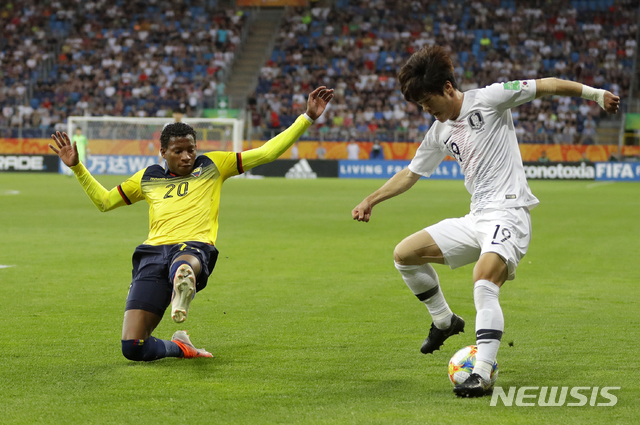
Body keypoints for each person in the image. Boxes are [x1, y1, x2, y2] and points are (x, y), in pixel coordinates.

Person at [351, 46, 619, 398]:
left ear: (448, 88)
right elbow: (411, 173)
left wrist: (596, 94)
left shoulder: (491, 98)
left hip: (508, 212)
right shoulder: (438, 131)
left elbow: (548, 84)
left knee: (483, 280)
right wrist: (371, 199)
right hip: (476, 216)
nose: (426, 109)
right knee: (404, 254)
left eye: (427, 101)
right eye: (420, 105)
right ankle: (445, 321)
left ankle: (481, 374)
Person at [49, 86, 334, 362]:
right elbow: (105, 201)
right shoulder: (147, 178)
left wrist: (306, 117)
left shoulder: (212, 165)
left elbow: (267, 152)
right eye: (178, 151)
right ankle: (181, 347)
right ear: (162, 152)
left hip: (192, 247)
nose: (187, 156)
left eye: (191, 149)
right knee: (133, 347)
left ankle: (182, 280)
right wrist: (77, 167)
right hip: (152, 253)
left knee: (184, 265)